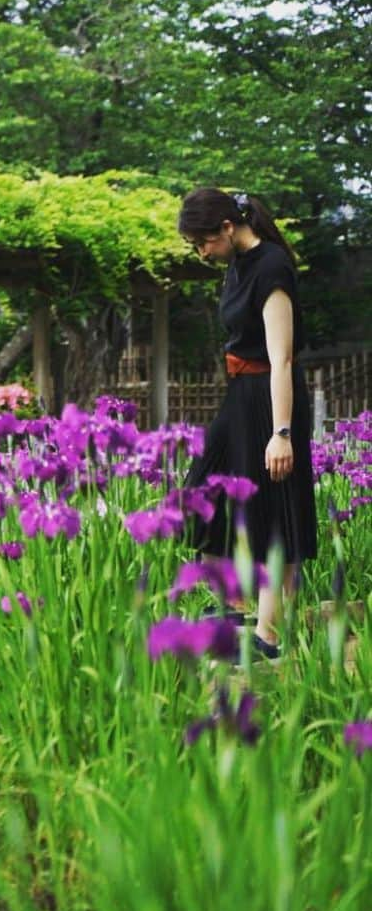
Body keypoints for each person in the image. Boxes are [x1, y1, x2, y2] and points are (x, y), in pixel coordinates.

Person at [178, 187, 317, 659]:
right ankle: (233, 602)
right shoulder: (235, 266)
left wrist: (282, 434)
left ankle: (269, 635)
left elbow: (281, 359)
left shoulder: (272, 267)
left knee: (272, 509)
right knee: (203, 490)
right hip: (241, 394)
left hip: (272, 399)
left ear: (226, 228)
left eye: (203, 243)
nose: (202, 253)